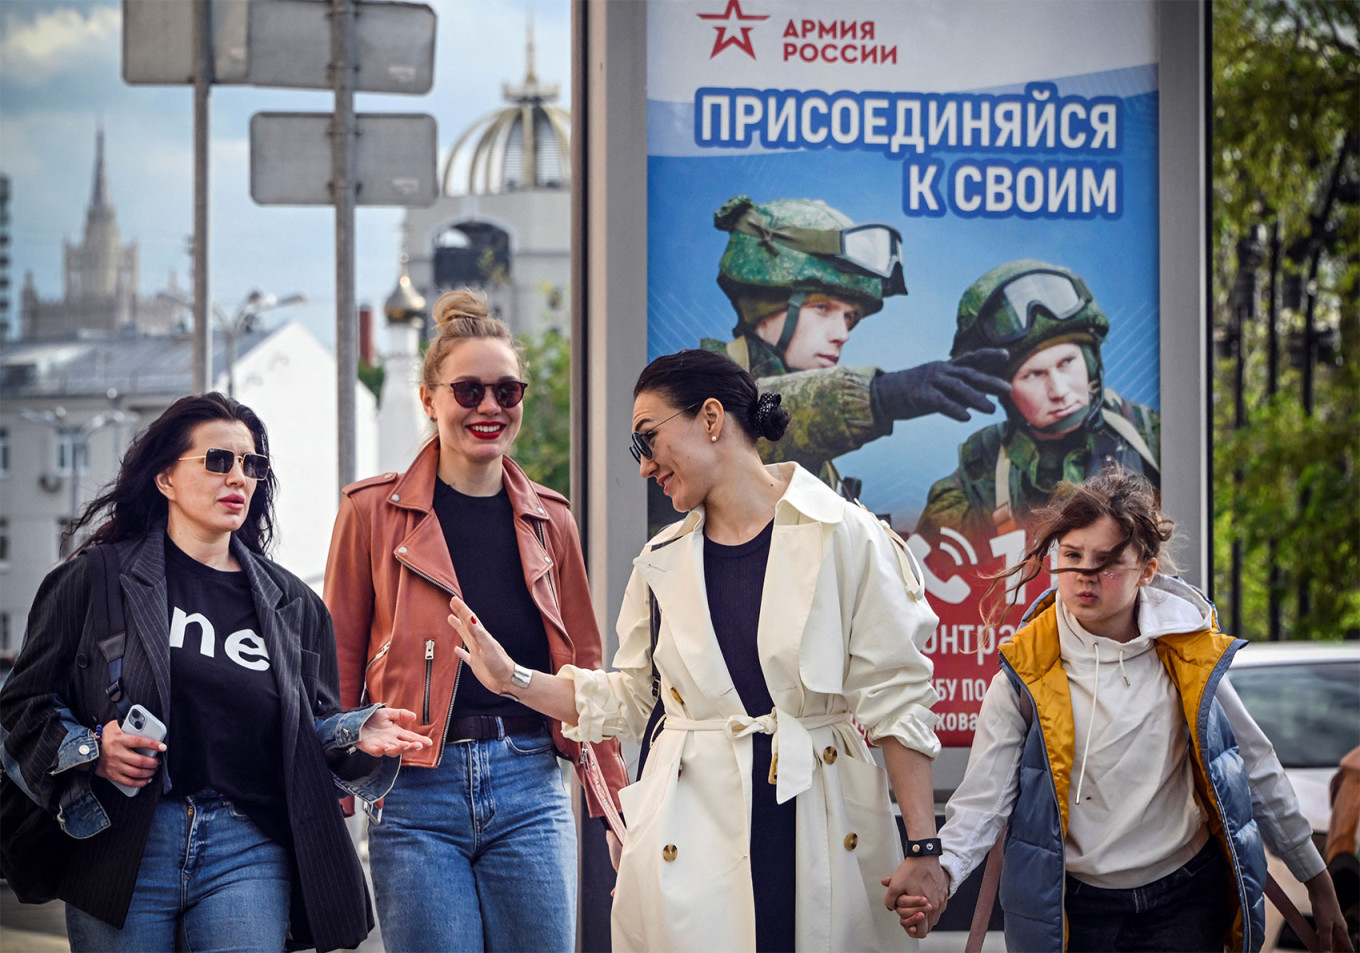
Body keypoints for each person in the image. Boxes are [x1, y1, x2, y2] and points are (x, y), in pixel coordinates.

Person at [450, 348, 947, 951]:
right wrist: (513, 680)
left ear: (711, 418)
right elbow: (631, 699)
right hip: (691, 832)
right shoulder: (660, 561)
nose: (643, 467)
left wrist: (923, 848)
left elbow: (896, 698)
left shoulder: (846, 534)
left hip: (819, 814)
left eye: (647, 440)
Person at [0, 392, 430, 953]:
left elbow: (309, 732)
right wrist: (91, 748)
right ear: (165, 480)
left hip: (246, 848)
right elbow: (20, 706)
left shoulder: (293, 605)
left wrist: (353, 730)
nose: (239, 478)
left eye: (251, 465)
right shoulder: (96, 579)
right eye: (217, 461)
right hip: (125, 843)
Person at [904, 469, 1352, 952]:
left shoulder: (1188, 655)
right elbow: (983, 801)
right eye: (1072, 556)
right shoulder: (1024, 672)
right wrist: (942, 873)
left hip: (1186, 901)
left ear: (1147, 569)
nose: (1084, 576)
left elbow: (1258, 770)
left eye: (1108, 562)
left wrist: (1317, 881)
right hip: (1076, 910)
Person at [323, 289, 628, 953]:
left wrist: (610, 802)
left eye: (507, 391)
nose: (490, 407)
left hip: (531, 786)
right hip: (414, 792)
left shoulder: (553, 519)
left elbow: (587, 675)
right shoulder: (370, 512)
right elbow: (338, 662)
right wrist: (336, 794)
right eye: (468, 390)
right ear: (430, 398)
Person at [702, 194, 1011, 494]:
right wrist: (878, 396)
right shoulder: (688, 390)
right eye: (822, 308)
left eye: (850, 318)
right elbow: (741, 427)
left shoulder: (818, 450)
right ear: (763, 305)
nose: (842, 334)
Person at [915, 260, 1161, 550]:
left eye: (1067, 362)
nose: (1058, 390)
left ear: (1091, 362)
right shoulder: (980, 473)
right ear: (1006, 392)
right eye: (1034, 374)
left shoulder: (1151, 439)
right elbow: (929, 578)